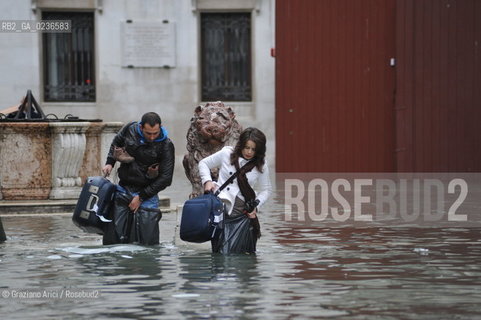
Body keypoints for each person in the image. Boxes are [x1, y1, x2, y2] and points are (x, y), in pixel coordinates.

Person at [102, 112, 175, 245]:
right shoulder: (130, 128)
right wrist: (110, 162)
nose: (152, 137)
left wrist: (141, 197)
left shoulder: (166, 145)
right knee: (113, 239)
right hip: (123, 188)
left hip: (148, 194)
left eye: (155, 133)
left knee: (148, 242)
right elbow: (116, 143)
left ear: (160, 128)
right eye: (148, 133)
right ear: (141, 128)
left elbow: (166, 178)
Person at [199, 127, 272, 254]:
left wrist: (256, 205)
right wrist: (207, 181)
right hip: (220, 210)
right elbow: (203, 163)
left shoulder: (261, 164)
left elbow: (266, 190)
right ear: (241, 145)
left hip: (243, 214)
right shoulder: (227, 153)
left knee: (242, 254)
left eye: (253, 149)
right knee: (221, 252)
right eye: (246, 147)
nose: (249, 152)